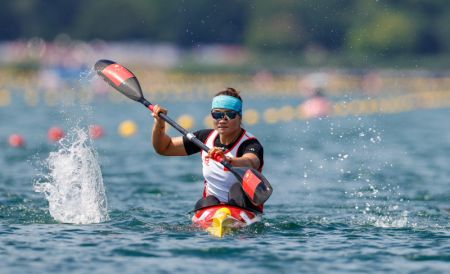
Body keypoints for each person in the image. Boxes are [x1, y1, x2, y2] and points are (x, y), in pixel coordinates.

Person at [151, 88, 264, 212]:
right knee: (206, 201)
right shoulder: (204, 138)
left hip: (243, 206)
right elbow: (163, 148)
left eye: (230, 114)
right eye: (217, 114)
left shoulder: (250, 143)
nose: (222, 119)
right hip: (213, 208)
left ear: (240, 116)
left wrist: (228, 160)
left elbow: (251, 161)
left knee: (236, 189)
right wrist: (159, 123)